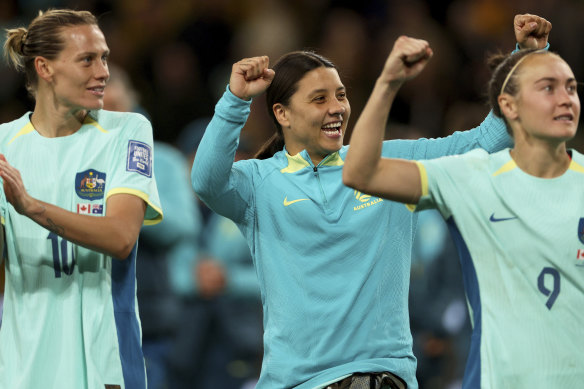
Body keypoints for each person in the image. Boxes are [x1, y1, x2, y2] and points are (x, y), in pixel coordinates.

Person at [191, 15, 550, 389]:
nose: (337, 108)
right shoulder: (257, 182)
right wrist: (235, 102)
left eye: (341, 95)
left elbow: (483, 143)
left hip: (380, 376)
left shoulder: (387, 165)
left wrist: (526, 58)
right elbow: (206, 180)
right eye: (319, 99)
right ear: (283, 114)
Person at [343, 17, 583, 389]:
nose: (566, 98)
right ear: (510, 106)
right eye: (548, 88)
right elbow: (361, 172)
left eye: (571, 87)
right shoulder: (470, 176)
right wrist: (389, 84)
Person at [0, 9, 162, 389]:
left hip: (104, 361)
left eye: (104, 57)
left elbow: (121, 237)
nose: (103, 71)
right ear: (45, 68)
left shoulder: (127, 130)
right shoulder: (4, 145)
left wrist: (32, 208)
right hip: (22, 368)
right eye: (87, 59)